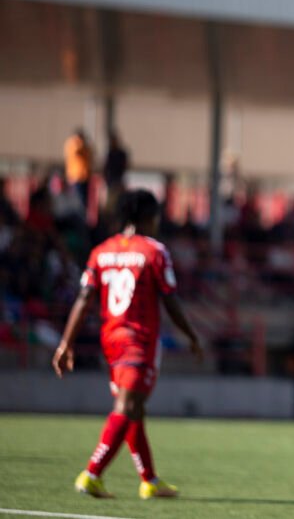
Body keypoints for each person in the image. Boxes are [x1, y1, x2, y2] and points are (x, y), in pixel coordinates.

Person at [52, 189, 203, 499]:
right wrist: (191, 335)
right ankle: (92, 473)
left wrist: (65, 343)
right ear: (149, 217)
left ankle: (149, 479)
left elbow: (84, 298)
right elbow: (170, 300)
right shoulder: (155, 251)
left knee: (133, 408)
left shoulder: (101, 251)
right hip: (139, 340)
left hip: (111, 341)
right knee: (128, 406)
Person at [63, 128, 93, 212]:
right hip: (76, 177)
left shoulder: (84, 146)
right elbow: (77, 151)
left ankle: (82, 213)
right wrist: (80, 142)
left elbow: (91, 154)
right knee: (77, 198)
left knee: (84, 199)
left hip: (84, 177)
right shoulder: (73, 143)